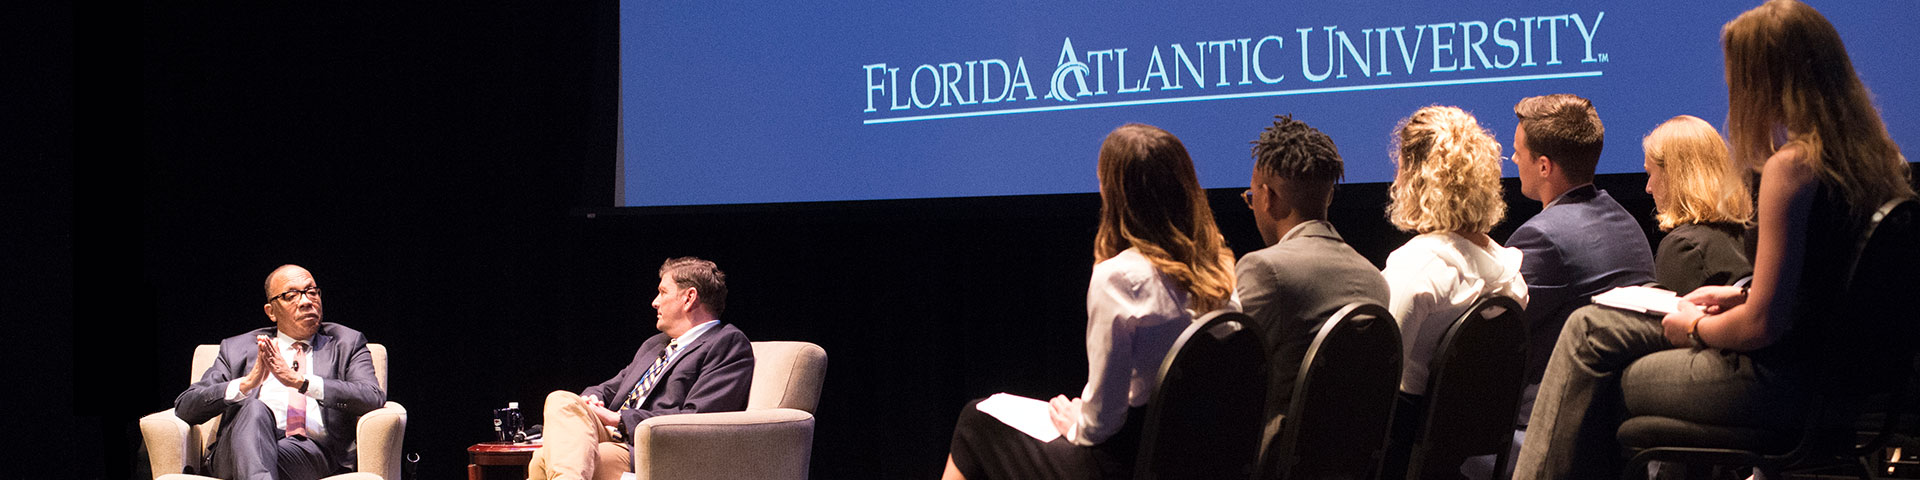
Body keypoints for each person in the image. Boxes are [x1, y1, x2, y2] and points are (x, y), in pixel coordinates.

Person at [1513, 2, 1915, 478]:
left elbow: (1762, 326)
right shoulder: (1880, 163)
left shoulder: (1791, 168)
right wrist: (1737, 293)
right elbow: (1823, 284)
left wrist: (1696, 328)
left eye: (1736, 82)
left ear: (1764, 82)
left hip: (1779, 384)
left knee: (1594, 357)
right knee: (1594, 326)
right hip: (1840, 384)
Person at [942, 123, 1237, 480]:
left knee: (976, 420)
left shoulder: (1118, 278)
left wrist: (1075, 422)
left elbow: (1102, 424)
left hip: (1124, 465)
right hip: (1196, 463)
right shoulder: (1220, 269)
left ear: (1115, 194)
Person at [1375, 106, 1532, 478]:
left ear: (1415, 178)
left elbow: (1378, 377)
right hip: (1457, 459)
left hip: (1401, 455)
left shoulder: (1417, 271)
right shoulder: (1512, 278)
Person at [527, 257, 755, 480]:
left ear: (689, 297)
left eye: (663, 292)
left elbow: (698, 419)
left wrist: (619, 419)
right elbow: (610, 388)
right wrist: (591, 400)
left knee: (543, 460)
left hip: (653, 448)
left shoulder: (727, 343)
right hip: (615, 435)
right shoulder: (656, 344)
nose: (655, 302)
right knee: (561, 399)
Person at [1234, 115, 1390, 432]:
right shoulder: (1375, 279)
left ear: (1267, 197)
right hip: (1350, 459)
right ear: (1329, 196)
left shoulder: (1265, 270)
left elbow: (1225, 374)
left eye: (1251, 198)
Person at [1505, 93, 1655, 418]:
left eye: (1518, 153)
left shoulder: (1540, 238)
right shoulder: (1626, 222)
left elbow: (1494, 335)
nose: (1514, 160)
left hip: (1552, 426)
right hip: (1616, 417)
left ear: (1544, 166)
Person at [172, 265, 388, 480]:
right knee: (255, 409)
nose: (305, 302)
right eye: (291, 295)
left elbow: (371, 396)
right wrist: (246, 384)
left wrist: (301, 382)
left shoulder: (347, 342)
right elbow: (186, 407)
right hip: (235, 448)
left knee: (258, 460)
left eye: (311, 292)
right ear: (271, 312)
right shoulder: (237, 349)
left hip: (307, 452)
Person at [1641, 115, 1754, 294]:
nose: (1648, 188)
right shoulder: (1754, 236)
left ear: (1673, 175)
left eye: (1650, 173)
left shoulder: (1683, 247)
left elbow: (1670, 320)